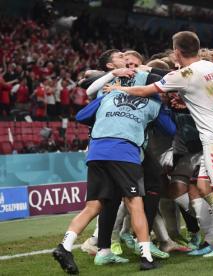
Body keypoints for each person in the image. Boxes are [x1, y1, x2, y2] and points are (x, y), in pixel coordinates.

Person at [105, 31, 213, 262]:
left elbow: (144, 90)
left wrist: (119, 89)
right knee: (204, 185)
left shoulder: (184, 74)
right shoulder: (211, 66)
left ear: (177, 51)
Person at [52, 49, 160, 274]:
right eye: (122, 58)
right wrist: (133, 73)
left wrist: (138, 72)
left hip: (97, 150)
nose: (127, 62)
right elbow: (163, 82)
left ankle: (64, 246)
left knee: (94, 205)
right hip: (123, 150)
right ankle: (147, 257)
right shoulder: (144, 99)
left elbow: (87, 97)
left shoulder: (109, 92)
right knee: (135, 203)